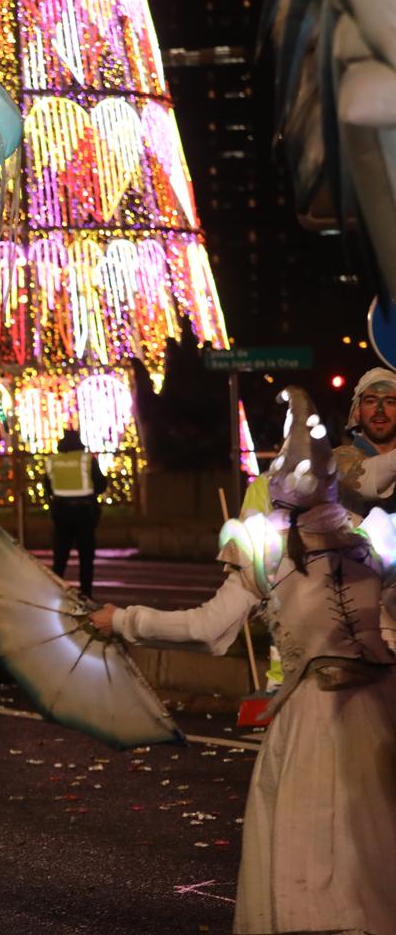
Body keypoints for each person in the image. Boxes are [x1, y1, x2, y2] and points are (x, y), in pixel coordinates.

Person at [90, 387, 396, 934]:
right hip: (379, 720)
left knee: (315, 877)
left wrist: (123, 620)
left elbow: (208, 630)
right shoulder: (372, 548)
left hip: (313, 727)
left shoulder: (270, 556)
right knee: (372, 875)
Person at [43, 428, 108, 599]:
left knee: (60, 556)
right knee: (86, 557)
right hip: (84, 512)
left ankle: (54, 593)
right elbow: (101, 484)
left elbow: (47, 486)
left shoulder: (52, 461)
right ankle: (86, 593)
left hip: (61, 512)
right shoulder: (86, 459)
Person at [333, 367, 396, 517]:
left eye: (390, 402)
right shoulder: (337, 459)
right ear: (357, 412)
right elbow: (360, 483)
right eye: (371, 401)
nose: (380, 410)